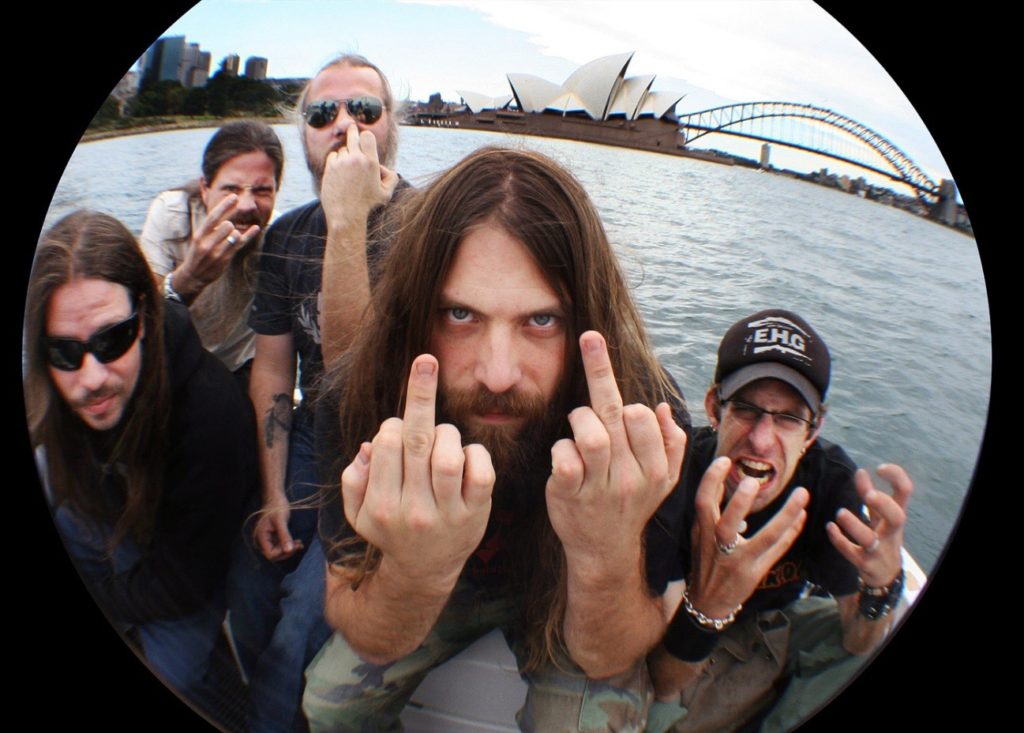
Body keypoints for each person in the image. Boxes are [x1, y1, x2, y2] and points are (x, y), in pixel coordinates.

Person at [303, 146, 691, 733]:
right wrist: (416, 570)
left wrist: (605, 553)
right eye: (460, 315)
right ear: (414, 310)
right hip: (431, 582)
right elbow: (360, 624)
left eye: (542, 320)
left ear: (588, 320)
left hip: (567, 587)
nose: (499, 374)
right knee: (328, 706)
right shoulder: (362, 397)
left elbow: (610, 656)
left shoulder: (645, 423)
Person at [24, 210, 256, 725]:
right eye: (65, 352)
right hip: (111, 517)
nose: (91, 377)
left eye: (112, 340)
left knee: (176, 676)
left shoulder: (211, 416)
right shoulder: (56, 398)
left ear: (145, 319)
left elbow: (183, 582)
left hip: (187, 569)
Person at [231, 53, 406, 733]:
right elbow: (275, 372)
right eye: (322, 112)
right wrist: (274, 490)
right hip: (312, 438)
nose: (343, 124)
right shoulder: (286, 238)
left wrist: (351, 216)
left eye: (364, 109)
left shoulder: (427, 225)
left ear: (390, 127)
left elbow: (362, 371)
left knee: (301, 627)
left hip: (392, 450)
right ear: (301, 133)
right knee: (248, 586)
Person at [647, 309, 913, 733]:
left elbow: (857, 641)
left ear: (813, 429)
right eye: (746, 409)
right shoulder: (674, 476)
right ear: (714, 407)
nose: (761, 439)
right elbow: (663, 680)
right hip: (681, 630)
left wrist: (882, 588)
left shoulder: (831, 483)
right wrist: (710, 604)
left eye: (789, 418)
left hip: (774, 624)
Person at [139, 120, 285, 385]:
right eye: (231, 189)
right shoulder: (172, 215)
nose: (246, 205)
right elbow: (142, 319)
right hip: (170, 361)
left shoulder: (279, 236)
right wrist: (188, 279)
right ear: (205, 189)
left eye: (262, 190)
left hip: (237, 369)